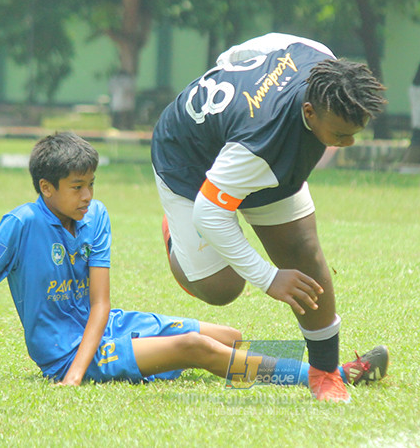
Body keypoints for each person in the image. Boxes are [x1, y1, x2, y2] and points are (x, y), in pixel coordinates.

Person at [0, 131, 381, 390]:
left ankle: (300, 366)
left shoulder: (95, 216)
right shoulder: (20, 224)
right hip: (65, 354)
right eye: (76, 187)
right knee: (195, 348)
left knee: (228, 335)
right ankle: (330, 374)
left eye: (92, 185)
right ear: (46, 188)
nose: (88, 196)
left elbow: (101, 304)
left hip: (107, 325)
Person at [150, 33, 390, 401]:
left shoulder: (321, 60)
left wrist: (230, 65)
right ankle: (176, 240)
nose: (349, 143)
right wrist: (269, 278)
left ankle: (326, 373)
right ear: (309, 112)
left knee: (303, 250)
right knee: (222, 288)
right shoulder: (261, 141)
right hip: (189, 161)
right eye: (341, 135)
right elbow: (210, 212)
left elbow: (265, 43)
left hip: (249, 153)